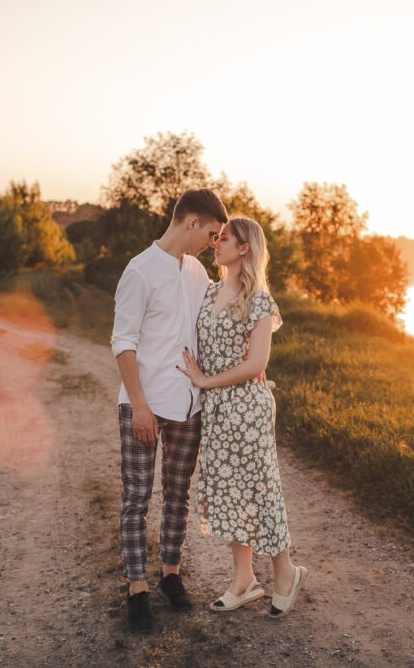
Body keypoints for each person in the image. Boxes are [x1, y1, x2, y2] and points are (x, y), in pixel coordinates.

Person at [178, 217, 308, 617]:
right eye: (216, 238)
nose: (216, 243)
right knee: (229, 491)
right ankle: (244, 579)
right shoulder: (208, 292)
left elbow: (256, 364)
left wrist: (205, 379)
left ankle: (285, 571)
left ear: (244, 248)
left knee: (260, 490)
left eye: (224, 239)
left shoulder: (260, 301)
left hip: (247, 409)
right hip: (217, 410)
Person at [110, 188, 227, 632]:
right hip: (144, 403)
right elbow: (123, 342)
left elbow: (219, 316)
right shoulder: (139, 271)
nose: (212, 244)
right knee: (136, 498)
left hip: (187, 404)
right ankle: (137, 590)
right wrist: (139, 406)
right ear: (191, 222)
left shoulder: (196, 272)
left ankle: (170, 576)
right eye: (211, 234)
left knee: (178, 495)